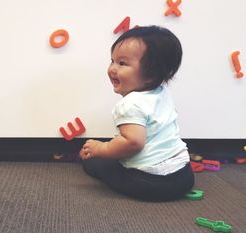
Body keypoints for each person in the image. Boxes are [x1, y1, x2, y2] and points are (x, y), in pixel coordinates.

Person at [80, 25, 194, 202]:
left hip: (152, 183)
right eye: (112, 60)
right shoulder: (162, 93)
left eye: (122, 63)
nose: (112, 69)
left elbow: (133, 142)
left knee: (95, 163)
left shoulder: (130, 104)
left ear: (151, 74)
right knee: (112, 155)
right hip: (184, 175)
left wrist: (101, 148)